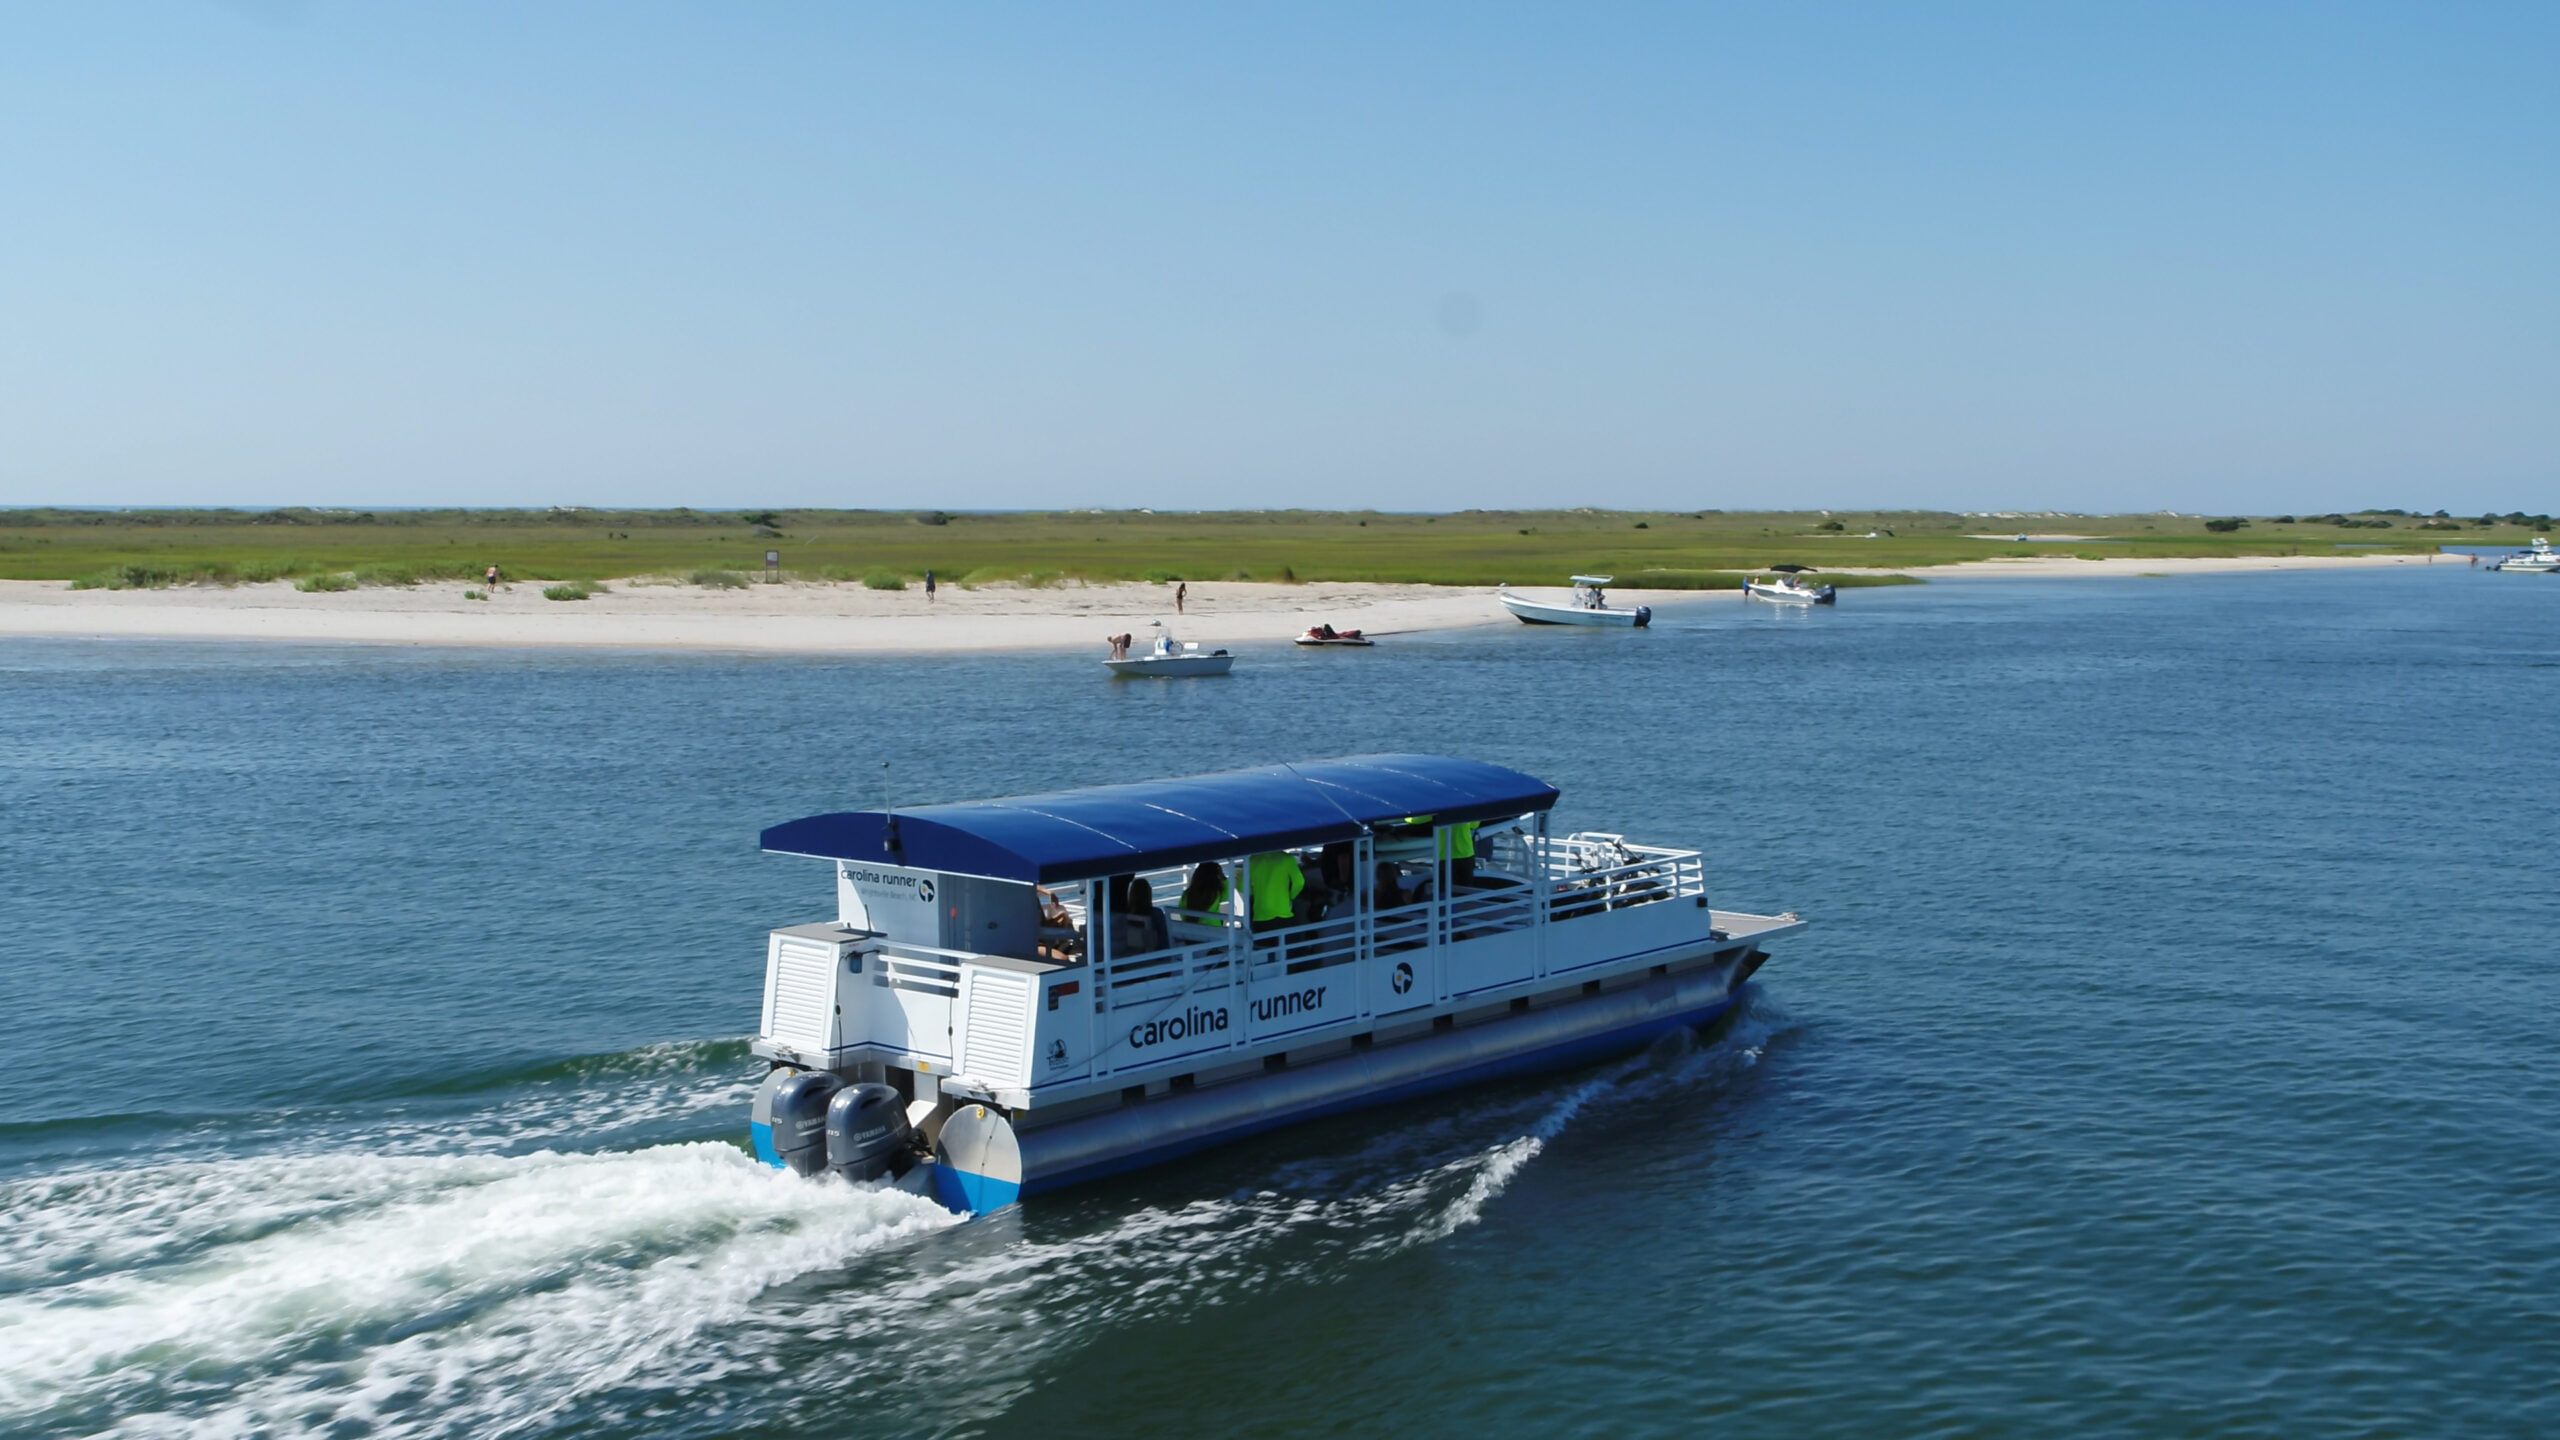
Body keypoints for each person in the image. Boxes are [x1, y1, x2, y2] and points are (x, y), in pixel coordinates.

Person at [1248, 851, 1304, 933]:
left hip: (1261, 915)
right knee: (1288, 943)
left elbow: (1241, 886)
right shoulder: (1287, 858)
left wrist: (1255, 893)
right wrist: (1291, 896)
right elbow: (1299, 882)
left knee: (1264, 944)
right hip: (1284, 912)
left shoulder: (1253, 860)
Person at [1114, 876, 1168, 955]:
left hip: (1131, 955)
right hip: (1154, 955)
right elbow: (1164, 939)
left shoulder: (1124, 914)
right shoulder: (1156, 914)